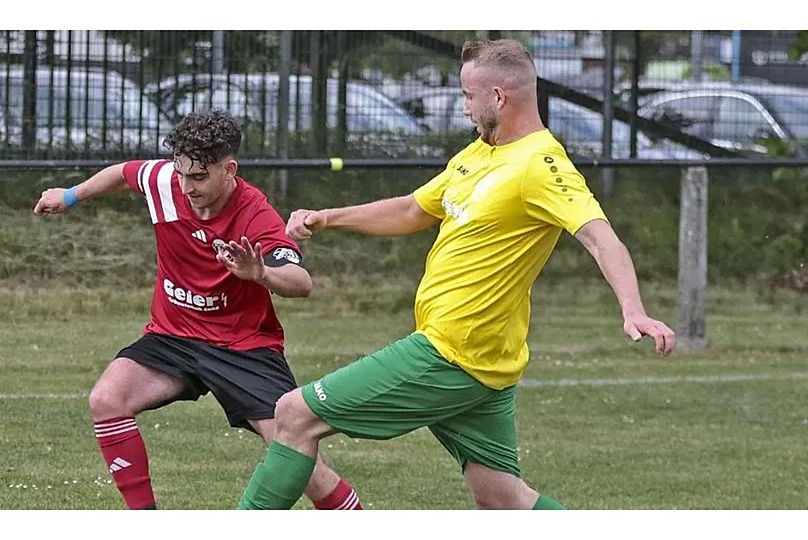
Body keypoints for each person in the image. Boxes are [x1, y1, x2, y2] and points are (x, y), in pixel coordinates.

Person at [237, 39, 676, 510]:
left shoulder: (541, 166)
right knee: (502, 498)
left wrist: (633, 309)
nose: (464, 107)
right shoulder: (479, 154)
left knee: (293, 414)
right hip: (482, 359)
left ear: (499, 97)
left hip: (452, 354)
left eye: (469, 96)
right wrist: (329, 217)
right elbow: (413, 209)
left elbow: (600, 237)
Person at [33, 110, 362, 510]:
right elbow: (123, 173)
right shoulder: (166, 183)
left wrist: (260, 273)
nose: (187, 187)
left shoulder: (255, 214)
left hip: (242, 347)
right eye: (181, 174)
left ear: (229, 169)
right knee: (107, 399)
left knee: (302, 464)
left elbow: (300, 282)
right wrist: (69, 195)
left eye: (199, 177)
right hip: (173, 336)